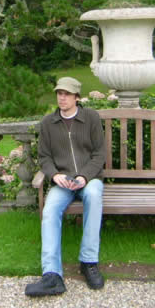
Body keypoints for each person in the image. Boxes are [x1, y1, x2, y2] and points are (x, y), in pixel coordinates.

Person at [25, 76, 106, 296]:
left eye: (67, 94)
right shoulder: (48, 123)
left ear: (77, 97)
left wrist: (85, 177)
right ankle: (52, 275)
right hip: (62, 182)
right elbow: (44, 157)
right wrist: (55, 175)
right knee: (50, 210)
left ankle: (89, 262)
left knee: (94, 195)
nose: (62, 98)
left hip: (88, 180)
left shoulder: (91, 118)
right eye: (59, 93)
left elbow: (99, 154)